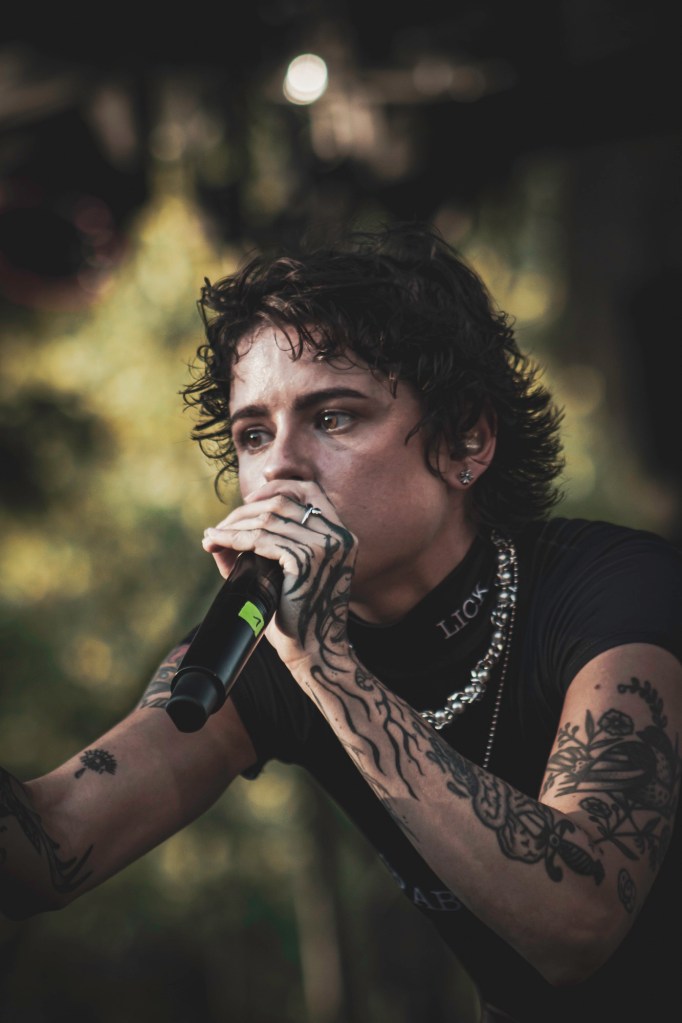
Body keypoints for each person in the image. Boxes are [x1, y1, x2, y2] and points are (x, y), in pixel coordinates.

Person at [1, 222, 681, 1023]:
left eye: (333, 417)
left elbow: (580, 922)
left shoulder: (617, 587)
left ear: (467, 439)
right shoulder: (259, 647)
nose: (279, 466)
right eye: (254, 433)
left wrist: (327, 666)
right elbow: (52, 844)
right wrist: (308, 654)